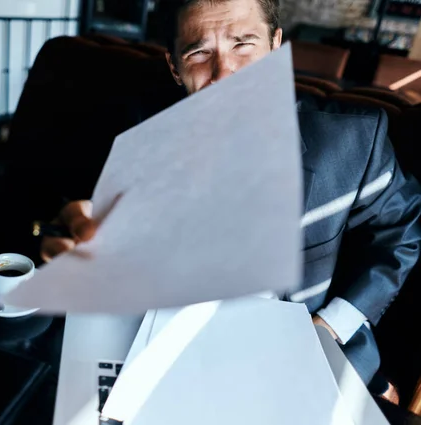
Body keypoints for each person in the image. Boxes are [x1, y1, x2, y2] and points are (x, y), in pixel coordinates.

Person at [41, 0, 421, 396]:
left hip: (301, 354)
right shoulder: (135, 136)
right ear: (175, 66)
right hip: (163, 347)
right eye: (200, 52)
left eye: (243, 43)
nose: (225, 74)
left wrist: (331, 327)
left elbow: (403, 231)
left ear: (275, 45)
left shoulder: (352, 142)